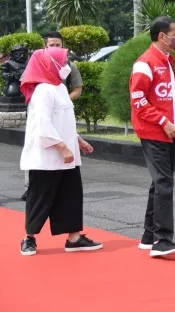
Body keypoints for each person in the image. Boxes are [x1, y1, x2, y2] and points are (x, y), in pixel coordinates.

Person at [19, 47, 102, 256]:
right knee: (40, 197)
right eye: (62, 62)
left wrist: (78, 140)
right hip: (47, 157)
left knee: (71, 195)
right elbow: (42, 125)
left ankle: (74, 237)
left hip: (67, 157)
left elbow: (65, 122)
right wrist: (63, 147)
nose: (66, 66)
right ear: (49, 65)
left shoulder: (60, 88)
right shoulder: (43, 91)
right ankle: (29, 238)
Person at [130, 16, 175, 257]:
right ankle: (163, 241)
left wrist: (174, 122)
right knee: (164, 183)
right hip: (154, 131)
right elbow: (138, 100)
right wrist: (163, 122)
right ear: (162, 36)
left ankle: (149, 236)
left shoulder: (168, 60)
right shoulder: (145, 63)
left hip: (168, 131)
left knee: (159, 182)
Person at [21, 32, 84, 201]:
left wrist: (63, 102)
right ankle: (31, 189)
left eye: (59, 45)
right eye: (52, 45)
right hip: (45, 116)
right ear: (45, 47)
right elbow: (42, 119)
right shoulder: (43, 86)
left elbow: (77, 89)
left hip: (61, 116)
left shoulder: (63, 80)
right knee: (41, 167)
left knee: (66, 180)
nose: (56, 48)